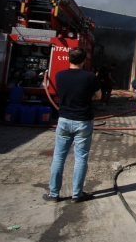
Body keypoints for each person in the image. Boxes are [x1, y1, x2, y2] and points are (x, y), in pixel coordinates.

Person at [43, 47, 101, 203]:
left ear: (69, 58)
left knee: (58, 158)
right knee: (81, 158)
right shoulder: (90, 77)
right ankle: (77, 194)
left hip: (64, 120)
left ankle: (53, 194)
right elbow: (98, 96)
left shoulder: (59, 75)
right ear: (84, 60)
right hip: (83, 121)